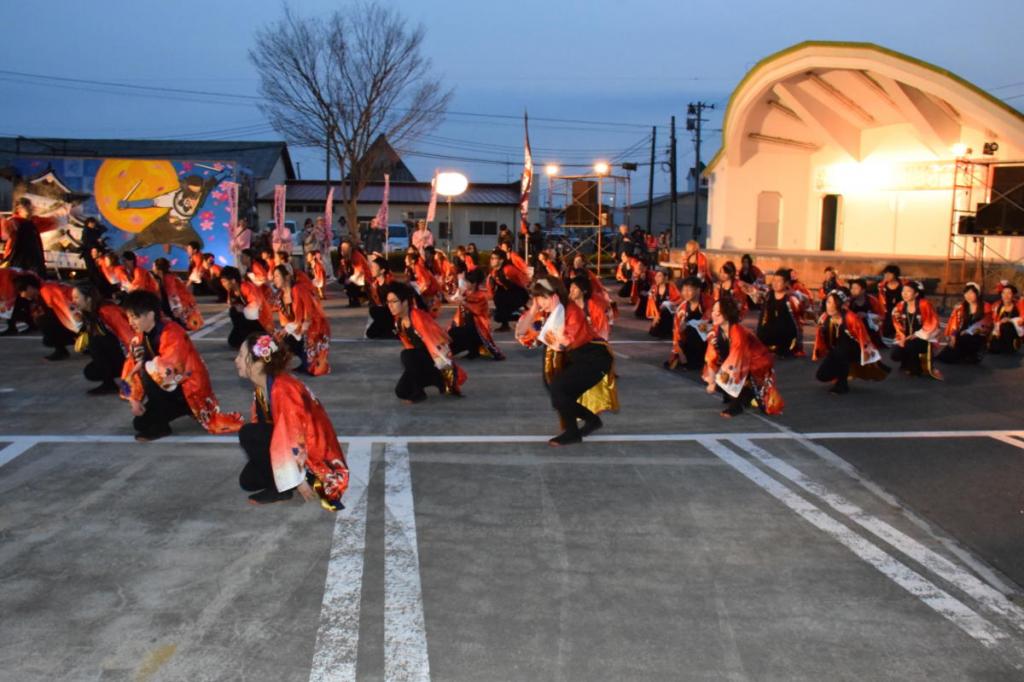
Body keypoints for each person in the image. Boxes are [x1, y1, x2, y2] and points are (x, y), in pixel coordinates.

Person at [233, 333, 350, 508]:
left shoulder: (283, 390)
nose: (236, 360)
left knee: (249, 433)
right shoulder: (266, 384)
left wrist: (297, 478)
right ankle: (287, 479)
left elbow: (293, 436)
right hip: (289, 442)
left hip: (313, 455)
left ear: (259, 363)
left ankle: (285, 488)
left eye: (242, 356)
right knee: (248, 481)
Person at [119, 291, 243, 441]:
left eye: (135, 317)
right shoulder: (139, 337)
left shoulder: (172, 332)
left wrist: (145, 364)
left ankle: (169, 420)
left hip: (186, 389)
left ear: (150, 315)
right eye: (129, 317)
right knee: (140, 423)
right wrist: (134, 399)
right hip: (166, 389)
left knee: (148, 370)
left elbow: (171, 370)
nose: (131, 322)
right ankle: (179, 410)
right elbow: (129, 366)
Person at [515, 275, 617, 446]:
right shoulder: (546, 312)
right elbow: (520, 333)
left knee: (560, 390)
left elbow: (563, 343)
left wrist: (555, 318)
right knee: (559, 396)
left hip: (593, 358)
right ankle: (592, 421)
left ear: (555, 295)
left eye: (543, 297)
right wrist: (533, 310)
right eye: (537, 298)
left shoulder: (570, 311)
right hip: (576, 359)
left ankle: (573, 433)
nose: (540, 302)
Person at [703, 295, 784, 418]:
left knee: (765, 403)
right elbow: (711, 355)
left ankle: (738, 404)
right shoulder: (716, 330)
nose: (714, 314)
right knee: (715, 379)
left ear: (728, 314)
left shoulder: (738, 332)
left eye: (718, 312)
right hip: (739, 363)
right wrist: (712, 381)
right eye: (713, 311)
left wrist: (722, 380)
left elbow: (737, 363)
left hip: (757, 363)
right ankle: (744, 395)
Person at [384, 282, 466, 402]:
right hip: (419, 361)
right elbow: (408, 345)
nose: (390, 306)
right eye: (388, 302)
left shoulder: (417, 317)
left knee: (407, 355)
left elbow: (438, 343)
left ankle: (425, 388)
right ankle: (434, 380)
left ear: (405, 302)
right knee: (401, 391)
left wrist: (448, 372)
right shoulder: (398, 321)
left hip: (433, 359)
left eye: (394, 302)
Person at [813, 290, 890, 394]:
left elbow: (864, 338)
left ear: (840, 304)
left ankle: (842, 384)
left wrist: (869, 355)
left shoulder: (851, 318)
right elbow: (821, 338)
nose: (828, 305)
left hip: (854, 350)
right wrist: (820, 351)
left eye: (832, 302)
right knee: (822, 376)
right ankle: (843, 372)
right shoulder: (824, 318)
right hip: (835, 351)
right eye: (827, 302)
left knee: (841, 352)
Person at [72, 282, 133, 395]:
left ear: (88, 298)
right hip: (116, 354)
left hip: (126, 354)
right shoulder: (90, 313)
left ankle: (120, 377)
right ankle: (109, 382)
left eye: (76, 297)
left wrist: (134, 361)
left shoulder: (107, 311)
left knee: (95, 342)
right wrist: (80, 322)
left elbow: (128, 334)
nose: (74, 301)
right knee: (91, 371)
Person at [272, 265, 331, 376]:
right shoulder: (280, 296)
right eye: (274, 276)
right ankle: (300, 358)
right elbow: (286, 323)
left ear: (287, 277)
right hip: (299, 329)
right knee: (280, 339)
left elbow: (308, 318)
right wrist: (282, 332)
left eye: (277, 276)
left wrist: (290, 329)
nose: (274, 279)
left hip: (314, 329)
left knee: (313, 369)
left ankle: (309, 359)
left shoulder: (299, 289)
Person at [15, 274, 79, 361]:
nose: (22, 295)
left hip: (81, 314)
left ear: (29, 287)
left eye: (22, 291)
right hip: (80, 313)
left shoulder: (47, 291)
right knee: (42, 318)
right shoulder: (44, 289)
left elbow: (67, 310)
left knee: (43, 320)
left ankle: (63, 348)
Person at [449, 268, 505, 360]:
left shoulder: (481, 295)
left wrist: (464, 302)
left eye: (467, 282)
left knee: (462, 332)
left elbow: (477, 310)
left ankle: (473, 350)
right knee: (453, 332)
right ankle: (472, 350)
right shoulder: (466, 292)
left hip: (478, 327)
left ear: (474, 283)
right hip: (468, 324)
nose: (465, 284)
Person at [891, 280, 942, 379]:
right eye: (903, 291)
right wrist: (901, 337)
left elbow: (932, 323)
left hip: (923, 337)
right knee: (895, 353)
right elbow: (897, 324)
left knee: (911, 344)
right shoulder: (900, 306)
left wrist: (917, 335)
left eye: (908, 291)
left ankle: (916, 368)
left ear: (916, 294)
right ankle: (905, 362)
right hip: (906, 337)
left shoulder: (924, 304)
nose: (904, 294)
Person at [665, 277, 712, 371]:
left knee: (692, 328)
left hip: (709, 336)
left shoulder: (709, 302)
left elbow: (711, 321)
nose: (685, 293)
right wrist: (679, 351)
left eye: (689, 290)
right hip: (692, 338)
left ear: (698, 290)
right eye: (683, 290)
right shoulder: (682, 308)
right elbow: (676, 332)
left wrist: (692, 324)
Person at [220, 266, 273, 349]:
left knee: (236, 311)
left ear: (233, 281)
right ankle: (246, 336)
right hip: (247, 319)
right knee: (233, 341)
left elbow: (256, 307)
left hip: (261, 321)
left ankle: (258, 336)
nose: (223, 284)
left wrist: (243, 309)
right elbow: (231, 305)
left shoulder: (248, 287)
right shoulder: (231, 291)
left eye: (224, 281)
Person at [938, 282, 991, 364]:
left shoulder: (985, 306)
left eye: (971, 293)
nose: (968, 295)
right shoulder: (960, 307)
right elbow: (955, 323)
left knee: (963, 341)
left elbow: (986, 322)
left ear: (978, 294)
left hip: (977, 335)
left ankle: (973, 354)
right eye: (966, 293)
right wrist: (953, 336)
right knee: (944, 356)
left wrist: (969, 331)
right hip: (961, 334)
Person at [756, 269, 805, 357]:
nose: (775, 283)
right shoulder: (768, 295)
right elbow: (754, 288)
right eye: (774, 280)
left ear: (786, 283)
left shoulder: (791, 298)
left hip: (786, 334)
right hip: (769, 332)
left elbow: (799, 321)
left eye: (779, 281)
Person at [1, 198, 50, 276]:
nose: (30, 209)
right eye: (27, 207)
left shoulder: (32, 224)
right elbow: (5, 234)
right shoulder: (14, 222)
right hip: (18, 264)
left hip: (34, 266)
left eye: (30, 207)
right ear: (18, 209)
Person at [152, 257, 203, 331]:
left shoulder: (168, 278)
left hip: (181, 304)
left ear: (158, 268)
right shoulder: (166, 277)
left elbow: (173, 295)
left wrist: (176, 311)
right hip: (180, 302)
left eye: (153, 266)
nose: (152, 268)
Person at [488, 249, 529, 331]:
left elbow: (524, 281)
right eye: (491, 258)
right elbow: (492, 290)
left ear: (501, 260)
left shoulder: (508, 269)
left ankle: (521, 314)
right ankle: (505, 325)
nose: (491, 260)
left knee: (501, 301)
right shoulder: (494, 272)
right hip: (508, 295)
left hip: (519, 295)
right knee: (497, 314)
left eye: (494, 258)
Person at [847, 278, 886, 348]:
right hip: (854, 330)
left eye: (856, 288)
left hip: (870, 330)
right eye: (852, 288)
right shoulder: (848, 301)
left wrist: (867, 315)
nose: (853, 290)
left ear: (863, 290)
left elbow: (881, 317)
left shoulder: (872, 300)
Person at [365, 255, 396, 339]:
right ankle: (387, 330)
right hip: (379, 312)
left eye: (374, 267)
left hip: (391, 313)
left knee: (380, 312)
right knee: (370, 333)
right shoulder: (373, 284)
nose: (371, 269)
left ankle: (392, 329)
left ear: (382, 270)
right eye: (371, 267)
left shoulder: (390, 284)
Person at [989, 283, 1024, 354]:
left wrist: (1010, 320)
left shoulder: (1018, 305)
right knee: (993, 348)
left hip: (1015, 330)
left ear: (1013, 295)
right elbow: (993, 320)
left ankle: (1012, 345)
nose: (1006, 296)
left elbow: (1022, 320)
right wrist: (996, 329)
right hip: (999, 331)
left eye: (1009, 293)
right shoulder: (997, 305)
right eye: (1004, 293)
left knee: (1006, 325)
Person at [646, 268, 680, 339]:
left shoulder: (671, 287)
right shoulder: (654, 288)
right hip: (658, 313)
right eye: (656, 276)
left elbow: (679, 299)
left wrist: (671, 304)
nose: (656, 278)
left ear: (666, 277)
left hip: (670, 312)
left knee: (665, 306)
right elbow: (651, 305)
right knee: (653, 332)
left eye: (659, 276)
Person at [878, 264, 904, 344]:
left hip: (900, 311)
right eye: (885, 273)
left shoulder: (903, 285)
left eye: (889, 274)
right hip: (887, 311)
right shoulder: (881, 286)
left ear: (895, 275)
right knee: (885, 330)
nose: (886, 276)